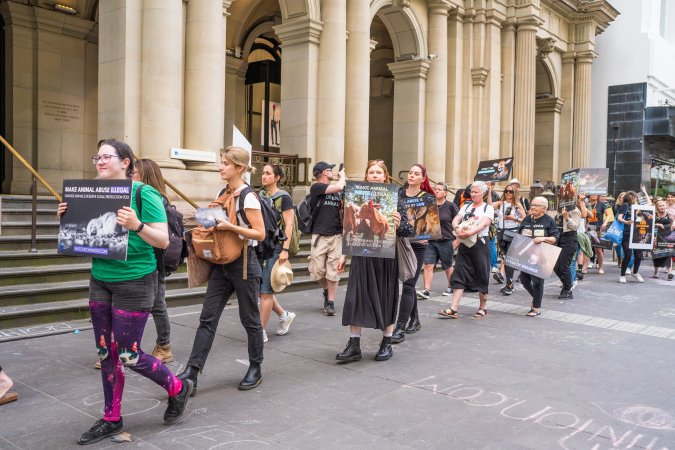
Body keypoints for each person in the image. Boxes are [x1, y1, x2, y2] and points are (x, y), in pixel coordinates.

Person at [58, 139, 191, 444]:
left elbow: (163, 241)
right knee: (106, 352)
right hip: (101, 277)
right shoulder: (91, 192)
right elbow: (84, 235)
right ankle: (111, 417)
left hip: (135, 280)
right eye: (97, 157)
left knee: (129, 355)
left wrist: (137, 224)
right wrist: (67, 220)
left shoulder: (145, 193)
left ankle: (177, 388)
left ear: (126, 162)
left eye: (107, 157)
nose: (100, 162)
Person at [178, 146, 266, 394]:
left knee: (249, 320)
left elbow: (260, 233)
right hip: (221, 262)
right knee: (207, 317)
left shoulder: (248, 196)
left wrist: (231, 226)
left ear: (239, 167)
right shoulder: (222, 192)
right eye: (220, 162)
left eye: (225, 163)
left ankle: (255, 367)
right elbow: (216, 224)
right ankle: (192, 372)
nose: (220, 167)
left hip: (245, 263)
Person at [334, 160, 413, 362]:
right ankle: (354, 344)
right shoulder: (356, 197)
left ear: (385, 176)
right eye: (372, 172)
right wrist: (343, 255)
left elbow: (407, 231)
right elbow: (348, 229)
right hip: (362, 256)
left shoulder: (396, 199)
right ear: (366, 176)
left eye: (379, 172)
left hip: (386, 259)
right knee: (355, 296)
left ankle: (386, 343)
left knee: (386, 296)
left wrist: (398, 221)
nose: (375, 175)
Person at [438, 181, 494, 319]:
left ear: (483, 193)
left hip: (480, 243)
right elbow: (455, 220)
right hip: (465, 243)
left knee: (482, 273)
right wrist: (457, 229)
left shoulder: (488, 208)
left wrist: (469, 233)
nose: (473, 194)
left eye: (476, 192)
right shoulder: (466, 206)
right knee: (459, 272)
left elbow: (484, 224)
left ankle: (483, 307)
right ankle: (453, 308)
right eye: (472, 192)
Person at [392, 164, 434, 342]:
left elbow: (431, 224)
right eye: (410, 172)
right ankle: (415, 319)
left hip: (418, 245)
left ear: (423, 178)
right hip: (399, 243)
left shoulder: (427, 197)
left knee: (409, 284)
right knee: (408, 283)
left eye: (416, 174)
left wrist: (428, 235)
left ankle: (400, 327)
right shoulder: (398, 194)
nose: (411, 175)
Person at [259, 163, 297, 342]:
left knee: (266, 291)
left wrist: (285, 250)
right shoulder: (258, 195)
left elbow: (289, 224)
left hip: (275, 247)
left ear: (277, 178)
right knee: (262, 290)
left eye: (268, 173)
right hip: (260, 246)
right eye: (263, 173)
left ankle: (260, 331)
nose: (263, 176)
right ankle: (284, 315)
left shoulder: (284, 197)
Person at [308, 161, 346, 316]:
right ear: (324, 172)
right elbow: (338, 186)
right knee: (317, 270)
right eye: (330, 170)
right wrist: (343, 176)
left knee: (333, 270)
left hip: (336, 234)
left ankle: (330, 302)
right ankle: (326, 290)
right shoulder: (316, 187)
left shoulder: (338, 193)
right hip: (319, 235)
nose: (333, 172)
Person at [516, 197, 559, 317]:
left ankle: (536, 308)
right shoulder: (527, 219)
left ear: (544, 208)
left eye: (536, 205)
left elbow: (555, 237)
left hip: (541, 255)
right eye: (532, 204)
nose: (533, 207)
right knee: (524, 280)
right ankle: (536, 298)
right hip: (526, 254)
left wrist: (543, 238)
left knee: (537, 282)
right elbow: (519, 234)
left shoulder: (549, 220)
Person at [417, 182, 459, 299]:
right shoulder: (430, 205)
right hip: (431, 241)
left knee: (447, 265)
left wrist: (457, 239)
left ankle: (451, 286)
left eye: (440, 190)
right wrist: (423, 237)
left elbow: (459, 222)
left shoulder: (451, 206)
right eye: (435, 189)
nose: (436, 191)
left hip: (446, 240)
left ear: (446, 192)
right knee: (428, 264)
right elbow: (424, 222)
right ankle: (426, 290)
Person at [492, 183, 526, 295]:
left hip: (512, 233)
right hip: (502, 232)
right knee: (505, 259)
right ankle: (509, 284)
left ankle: (510, 285)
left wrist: (514, 218)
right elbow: (488, 205)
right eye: (506, 191)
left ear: (514, 193)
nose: (507, 193)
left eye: (510, 191)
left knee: (509, 260)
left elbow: (525, 220)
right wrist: (488, 191)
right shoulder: (501, 203)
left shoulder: (517, 205)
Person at [616, 191, 644, 283]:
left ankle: (635, 272)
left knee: (639, 255)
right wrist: (626, 222)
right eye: (634, 197)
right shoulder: (625, 205)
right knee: (627, 255)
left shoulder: (639, 207)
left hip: (637, 233)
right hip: (627, 233)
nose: (636, 198)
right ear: (630, 197)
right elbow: (619, 218)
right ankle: (622, 275)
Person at [554, 206, 581, 299]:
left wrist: (566, 217)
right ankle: (567, 285)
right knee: (556, 266)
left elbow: (575, 226)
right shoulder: (561, 207)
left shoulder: (574, 210)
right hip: (559, 237)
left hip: (569, 238)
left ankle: (567, 289)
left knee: (564, 266)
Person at [584, 195, 609, 274]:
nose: (594, 195)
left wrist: (605, 223)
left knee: (598, 249)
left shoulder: (601, 204)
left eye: (595, 194)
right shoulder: (585, 204)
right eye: (592, 193)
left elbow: (608, 215)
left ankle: (600, 267)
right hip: (587, 228)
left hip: (598, 228)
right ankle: (584, 267)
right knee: (587, 248)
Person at [651, 199, 673, 280]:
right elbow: (650, 224)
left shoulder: (670, 215)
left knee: (669, 254)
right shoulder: (654, 215)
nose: (662, 207)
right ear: (657, 208)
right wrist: (658, 224)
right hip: (656, 236)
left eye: (663, 205)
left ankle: (670, 272)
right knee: (656, 254)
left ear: (666, 206)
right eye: (660, 206)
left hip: (667, 236)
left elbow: (673, 224)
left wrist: (669, 226)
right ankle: (656, 272)